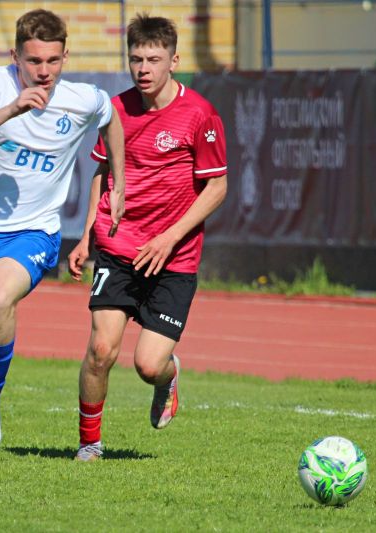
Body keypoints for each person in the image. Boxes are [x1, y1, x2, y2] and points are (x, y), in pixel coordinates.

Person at [0, 9, 126, 468]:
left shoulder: (81, 98)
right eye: (34, 60)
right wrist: (12, 108)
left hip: (34, 233)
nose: (44, 71)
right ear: (15, 56)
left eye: (53, 60)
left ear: (65, 56)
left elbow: (110, 117)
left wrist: (121, 181)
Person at [67, 13, 227, 461]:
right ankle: (89, 445)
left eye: (153, 60)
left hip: (173, 258)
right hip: (118, 247)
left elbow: (217, 187)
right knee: (101, 349)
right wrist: (86, 236)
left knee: (147, 364)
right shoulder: (115, 111)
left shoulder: (200, 114)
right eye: (136, 59)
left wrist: (169, 238)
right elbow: (103, 173)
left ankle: (168, 377)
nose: (143, 68)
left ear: (173, 61)